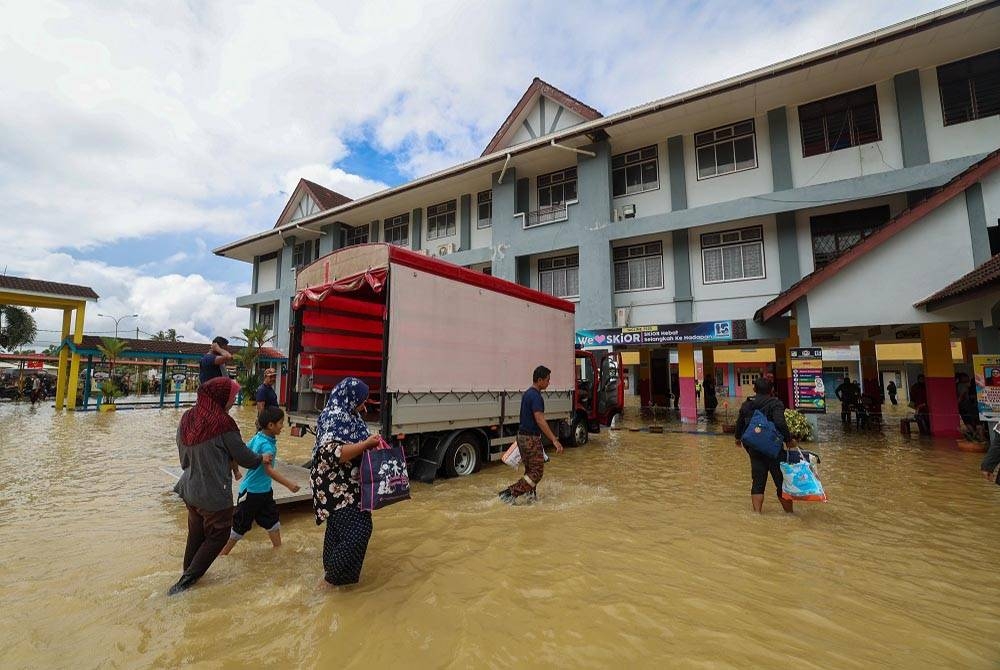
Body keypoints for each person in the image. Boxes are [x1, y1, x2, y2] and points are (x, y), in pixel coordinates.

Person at [168, 377, 271, 596]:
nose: (233, 401)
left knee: (196, 533)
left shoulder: (188, 417)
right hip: (212, 493)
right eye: (232, 397)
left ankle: (189, 575)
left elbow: (182, 453)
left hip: (189, 487)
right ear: (220, 397)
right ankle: (185, 583)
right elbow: (244, 457)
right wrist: (260, 458)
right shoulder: (223, 423)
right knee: (220, 534)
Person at [311, 377, 380, 587]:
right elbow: (331, 453)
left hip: (349, 485)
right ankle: (329, 581)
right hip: (335, 486)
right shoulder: (334, 416)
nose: (364, 405)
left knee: (338, 531)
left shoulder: (351, 415)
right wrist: (365, 444)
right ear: (351, 398)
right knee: (359, 531)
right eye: (361, 400)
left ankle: (340, 581)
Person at [221, 406, 300, 555]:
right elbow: (269, 471)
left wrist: (236, 471)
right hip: (251, 493)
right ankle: (222, 555)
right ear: (271, 425)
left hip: (263, 492)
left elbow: (239, 453)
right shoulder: (267, 445)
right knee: (239, 526)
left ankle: (278, 552)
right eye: (281, 423)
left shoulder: (258, 437)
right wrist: (289, 484)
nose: (282, 426)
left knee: (272, 520)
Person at [498, 365, 564, 504]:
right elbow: (539, 419)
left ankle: (530, 499)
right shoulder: (536, 396)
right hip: (530, 439)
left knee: (530, 471)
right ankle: (508, 493)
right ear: (539, 380)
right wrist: (554, 440)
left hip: (522, 437)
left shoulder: (528, 393)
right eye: (547, 380)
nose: (549, 382)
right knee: (537, 473)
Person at [734, 376, 795, 514]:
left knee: (758, 481)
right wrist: (788, 439)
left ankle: (757, 514)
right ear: (771, 390)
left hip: (754, 449)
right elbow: (780, 423)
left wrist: (738, 438)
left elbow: (740, 423)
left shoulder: (747, 405)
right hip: (774, 450)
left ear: (754, 389)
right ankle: (790, 515)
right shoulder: (775, 404)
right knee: (781, 482)